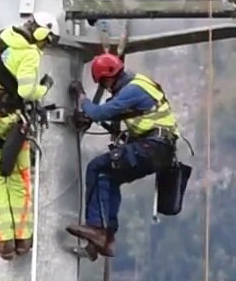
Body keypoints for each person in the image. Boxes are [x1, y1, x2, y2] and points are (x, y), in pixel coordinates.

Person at [65, 52, 180, 260]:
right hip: (159, 149)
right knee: (108, 177)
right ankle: (105, 238)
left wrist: (81, 97)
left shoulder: (132, 90)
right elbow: (129, 115)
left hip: (152, 147)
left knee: (96, 168)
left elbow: (99, 113)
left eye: (104, 83)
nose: (107, 88)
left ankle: (98, 230)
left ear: (109, 78)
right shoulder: (139, 84)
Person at [0, 14, 56, 260]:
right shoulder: (29, 53)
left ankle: (3, 241)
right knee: (19, 180)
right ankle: (22, 238)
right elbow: (27, 91)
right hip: (10, 123)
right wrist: (45, 87)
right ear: (41, 34)